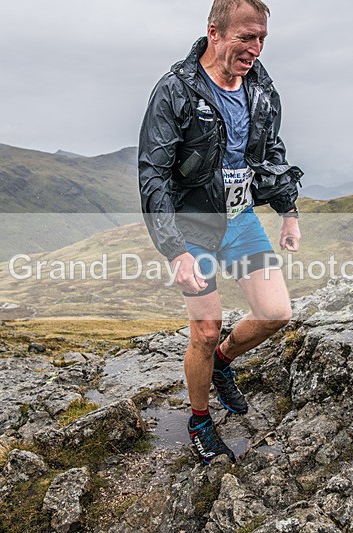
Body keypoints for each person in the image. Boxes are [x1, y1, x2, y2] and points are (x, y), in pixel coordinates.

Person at [138, 0, 303, 465]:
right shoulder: (175, 90)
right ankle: (199, 420)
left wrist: (288, 210)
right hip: (193, 225)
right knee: (206, 331)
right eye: (246, 37)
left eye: (262, 39)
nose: (256, 48)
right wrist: (175, 251)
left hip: (242, 218)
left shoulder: (261, 90)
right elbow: (153, 174)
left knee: (275, 313)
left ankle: (223, 365)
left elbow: (271, 152)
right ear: (214, 32)